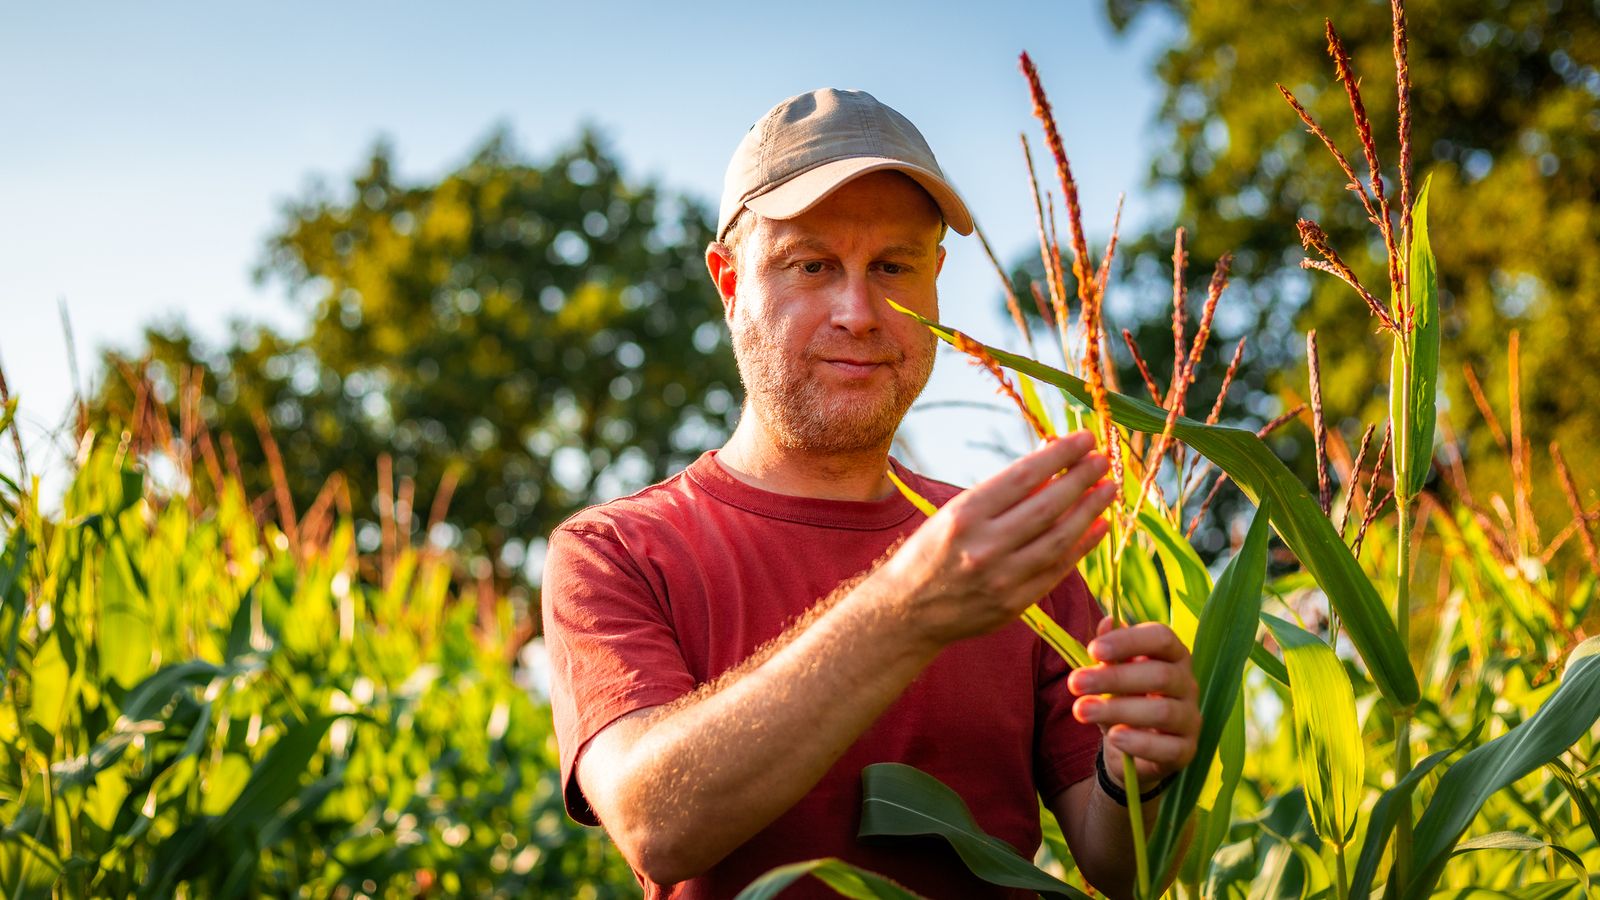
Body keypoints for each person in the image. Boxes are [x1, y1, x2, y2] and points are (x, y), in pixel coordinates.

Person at [542, 88, 1200, 900]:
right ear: (729, 283)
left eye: (893, 267)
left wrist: (1139, 771)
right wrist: (910, 606)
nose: (859, 313)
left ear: (935, 283)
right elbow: (656, 826)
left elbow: (1119, 866)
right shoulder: (616, 552)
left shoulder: (1010, 550)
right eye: (812, 265)